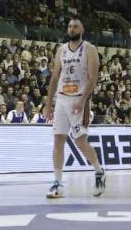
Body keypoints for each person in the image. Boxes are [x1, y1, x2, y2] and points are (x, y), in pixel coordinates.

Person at [43, 18, 106, 199]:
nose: (72, 29)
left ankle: (99, 171)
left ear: (82, 29)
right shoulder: (61, 50)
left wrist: (83, 99)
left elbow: (93, 77)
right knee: (58, 140)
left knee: (80, 141)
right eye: (70, 26)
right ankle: (58, 184)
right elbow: (54, 78)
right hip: (62, 98)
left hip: (80, 98)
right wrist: (49, 104)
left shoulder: (89, 49)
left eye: (75, 26)